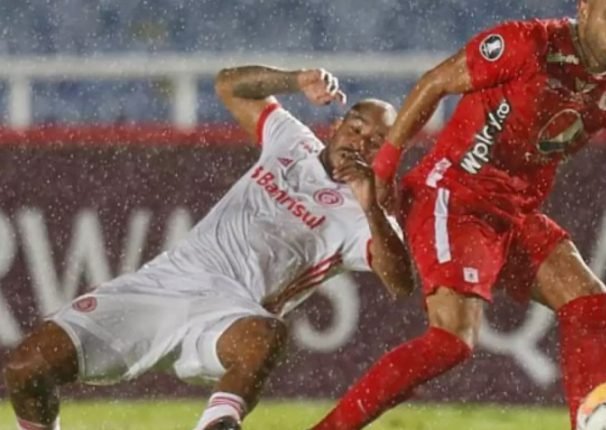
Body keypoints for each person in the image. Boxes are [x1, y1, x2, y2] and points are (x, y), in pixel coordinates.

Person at [311, 0, 606, 429]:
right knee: (452, 339)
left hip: (512, 213)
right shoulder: (529, 44)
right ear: (584, 8)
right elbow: (435, 82)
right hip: (452, 196)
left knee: (586, 300)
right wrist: (385, 169)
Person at [3, 65, 413, 430]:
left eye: (375, 141)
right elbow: (229, 84)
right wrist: (295, 80)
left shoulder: (363, 213)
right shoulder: (291, 141)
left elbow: (400, 282)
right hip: (162, 286)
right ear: (337, 124)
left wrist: (370, 205)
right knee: (27, 366)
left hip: (229, 314)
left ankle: (220, 422)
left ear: (387, 154)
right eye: (356, 128)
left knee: (266, 334)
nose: (359, 142)